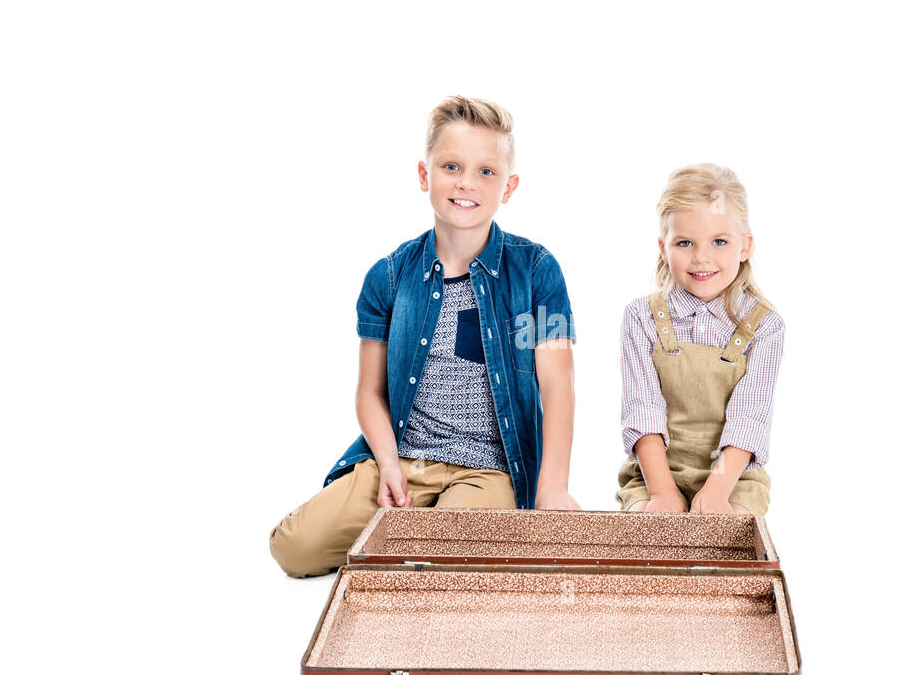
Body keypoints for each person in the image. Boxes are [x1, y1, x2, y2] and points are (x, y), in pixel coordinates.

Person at [270, 96, 579, 577]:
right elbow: (369, 392)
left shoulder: (537, 272)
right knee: (294, 549)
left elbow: (559, 384)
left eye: (486, 172)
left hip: (487, 473)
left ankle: (419, 545)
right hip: (403, 459)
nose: (466, 183)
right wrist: (389, 467)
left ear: (509, 187)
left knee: (439, 563)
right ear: (424, 175)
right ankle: (408, 532)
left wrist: (551, 490)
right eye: (451, 166)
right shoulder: (388, 277)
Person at [617, 163, 784, 515]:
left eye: (719, 241)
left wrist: (717, 491)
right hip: (655, 472)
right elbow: (643, 408)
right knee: (648, 527)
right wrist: (663, 494)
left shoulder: (765, 326)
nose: (702, 257)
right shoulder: (641, 317)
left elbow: (749, 417)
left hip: (735, 476)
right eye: (685, 243)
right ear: (664, 248)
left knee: (729, 532)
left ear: (744, 246)